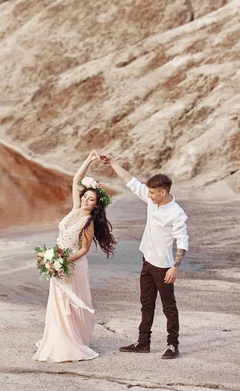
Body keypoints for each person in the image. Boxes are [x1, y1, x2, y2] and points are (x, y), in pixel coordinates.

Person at [99, 154, 188, 359]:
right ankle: (143, 342)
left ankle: (172, 345)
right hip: (147, 260)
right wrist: (112, 162)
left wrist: (175, 267)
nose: (149, 195)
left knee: (169, 307)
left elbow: (182, 241)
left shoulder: (176, 213)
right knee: (146, 303)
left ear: (163, 192)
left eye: (153, 192)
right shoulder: (151, 200)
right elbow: (130, 180)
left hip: (164, 266)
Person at [33, 150, 116, 362]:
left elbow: (83, 249)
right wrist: (89, 159)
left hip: (73, 265)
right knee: (57, 303)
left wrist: (61, 262)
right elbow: (76, 179)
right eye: (86, 197)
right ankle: (56, 337)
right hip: (58, 261)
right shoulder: (75, 209)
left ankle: (70, 341)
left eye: (92, 200)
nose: (88, 201)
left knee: (67, 304)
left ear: (96, 205)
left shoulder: (87, 221)